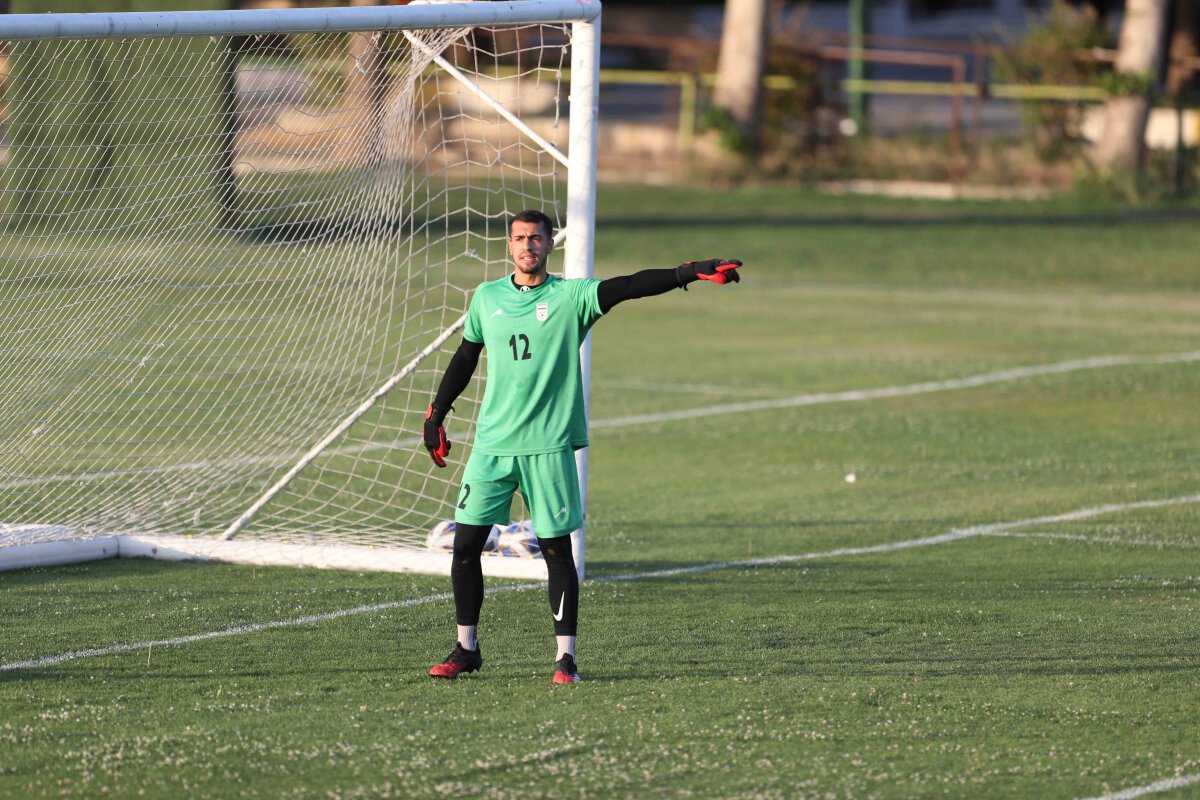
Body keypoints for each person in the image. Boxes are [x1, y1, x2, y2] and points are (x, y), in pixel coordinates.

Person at [423, 209, 741, 683]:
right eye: (519, 238)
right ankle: (466, 649)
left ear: (550, 245)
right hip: (492, 446)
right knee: (465, 547)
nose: (527, 246)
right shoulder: (486, 297)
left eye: (535, 238)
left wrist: (687, 272)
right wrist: (436, 413)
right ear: (509, 245)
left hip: (547, 447)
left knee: (556, 552)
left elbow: (629, 286)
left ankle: (565, 659)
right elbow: (465, 356)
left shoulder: (571, 297)